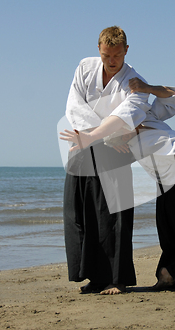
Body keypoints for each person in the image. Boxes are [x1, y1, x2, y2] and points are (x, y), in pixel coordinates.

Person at [61, 79, 175, 291]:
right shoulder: (145, 143)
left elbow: (170, 98)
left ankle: (169, 274)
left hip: (174, 194)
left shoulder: (146, 119)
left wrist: (146, 89)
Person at [63, 26, 152, 295]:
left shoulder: (134, 80)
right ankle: (93, 275)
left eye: (116, 55)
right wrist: (95, 135)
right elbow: (74, 105)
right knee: (79, 209)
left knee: (114, 214)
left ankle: (117, 278)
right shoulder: (84, 68)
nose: (111, 62)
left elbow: (129, 115)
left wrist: (106, 135)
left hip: (115, 149)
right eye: (106, 56)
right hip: (84, 141)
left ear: (126, 50)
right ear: (98, 50)